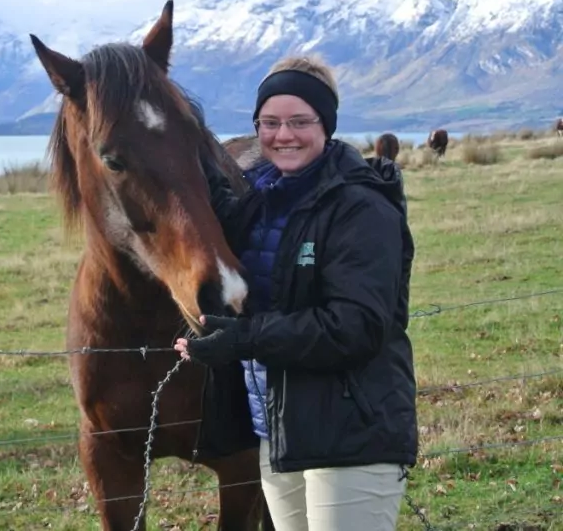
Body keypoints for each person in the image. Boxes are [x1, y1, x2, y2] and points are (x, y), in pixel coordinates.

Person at [174, 55, 418, 531]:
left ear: (326, 124)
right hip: (276, 428)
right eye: (269, 123)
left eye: (300, 122)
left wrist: (243, 340)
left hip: (349, 432)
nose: (283, 135)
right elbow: (210, 207)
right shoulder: (261, 201)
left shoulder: (360, 207)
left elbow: (356, 327)